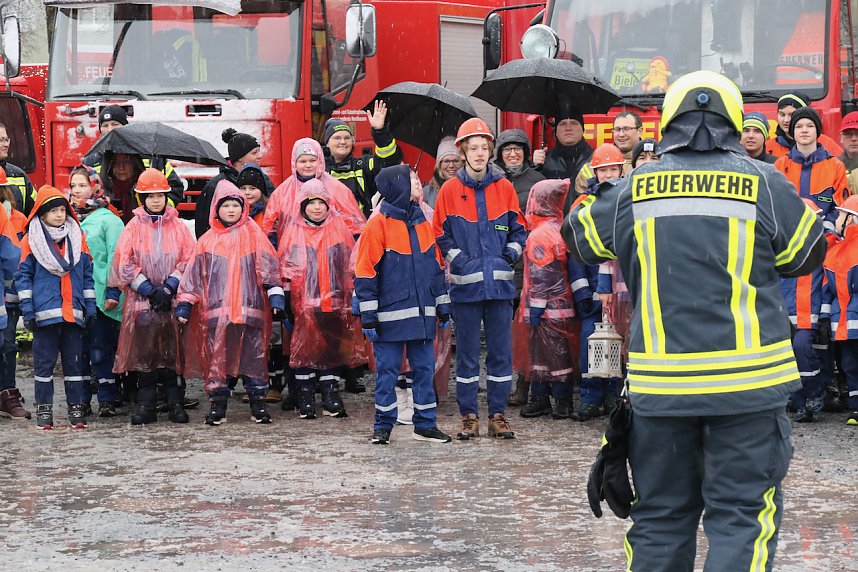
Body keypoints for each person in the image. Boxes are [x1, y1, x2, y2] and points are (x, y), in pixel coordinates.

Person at [563, 70, 826, 570]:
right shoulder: (764, 182)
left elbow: (578, 238)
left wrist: (598, 188)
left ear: (669, 122)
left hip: (662, 391)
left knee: (660, 519)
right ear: (732, 119)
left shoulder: (637, 188)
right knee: (742, 517)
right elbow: (807, 252)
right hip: (749, 390)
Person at [432, 117, 527, 440]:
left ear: (490, 151)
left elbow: (519, 229)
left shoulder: (505, 188)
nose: (478, 154)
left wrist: (509, 256)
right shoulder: (449, 190)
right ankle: (469, 416)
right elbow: (440, 235)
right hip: (465, 289)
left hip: (499, 288)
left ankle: (498, 415)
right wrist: (460, 261)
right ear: (462, 152)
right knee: (469, 355)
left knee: (501, 354)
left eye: (483, 148)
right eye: (473, 148)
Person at [355, 165, 452, 443]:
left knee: (424, 371)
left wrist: (443, 305)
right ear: (396, 186)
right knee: (387, 373)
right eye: (410, 179)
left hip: (422, 316)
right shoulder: (377, 224)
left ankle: (425, 424)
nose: (417, 182)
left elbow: (436, 268)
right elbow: (365, 272)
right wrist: (369, 316)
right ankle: (383, 425)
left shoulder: (422, 220)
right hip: (389, 318)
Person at [176, 180, 284, 425]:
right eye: (226, 206)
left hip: (250, 312)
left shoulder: (255, 237)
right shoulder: (207, 242)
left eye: (236, 205)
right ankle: (217, 406)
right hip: (218, 313)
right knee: (218, 360)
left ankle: (259, 404)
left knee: (255, 359)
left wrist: (276, 297)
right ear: (216, 209)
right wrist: (185, 303)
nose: (232, 210)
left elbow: (269, 270)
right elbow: (193, 277)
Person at [107, 169, 197, 425]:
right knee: (145, 357)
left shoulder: (179, 226)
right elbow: (124, 264)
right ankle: (146, 406)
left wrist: (168, 288)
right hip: (143, 303)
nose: (156, 200)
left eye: (161, 195)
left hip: (172, 303)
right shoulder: (133, 228)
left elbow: (189, 260)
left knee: (173, 357)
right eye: (150, 196)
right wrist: (148, 289)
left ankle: (176, 404)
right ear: (141, 198)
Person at [279, 178, 364, 420]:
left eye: (321, 202)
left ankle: (330, 395)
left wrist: (350, 298)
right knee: (304, 351)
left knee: (331, 352)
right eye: (311, 203)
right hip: (303, 305)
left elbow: (349, 267)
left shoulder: (339, 231)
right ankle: (305, 397)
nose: (317, 207)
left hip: (333, 304)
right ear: (301, 205)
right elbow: (285, 270)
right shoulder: (292, 234)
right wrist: (286, 302)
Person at [15, 186, 97, 429]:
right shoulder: (31, 241)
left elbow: (87, 277)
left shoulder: (77, 237)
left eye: (62, 210)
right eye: (53, 211)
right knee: (44, 367)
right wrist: (27, 309)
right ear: (41, 215)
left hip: (73, 314)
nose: (60, 215)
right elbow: (23, 277)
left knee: (74, 367)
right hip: (44, 317)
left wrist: (90, 306)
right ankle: (44, 410)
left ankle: (76, 409)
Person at [568, 144, 627, 421]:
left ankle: (616, 396)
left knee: (620, 345)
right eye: (602, 170)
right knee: (590, 346)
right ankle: (591, 398)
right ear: (595, 171)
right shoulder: (583, 204)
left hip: (623, 289)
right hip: (593, 289)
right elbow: (575, 252)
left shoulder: (630, 200)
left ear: (621, 169)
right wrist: (583, 292)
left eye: (612, 169)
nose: (607, 174)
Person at [511, 178, 576, 420]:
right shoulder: (561, 228)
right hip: (563, 306)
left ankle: (548, 401)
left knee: (542, 356)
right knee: (560, 355)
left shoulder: (539, 235)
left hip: (546, 310)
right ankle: (561, 400)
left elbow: (541, 277)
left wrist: (534, 309)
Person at [68, 164, 125, 418]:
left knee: (101, 349)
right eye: (73, 186)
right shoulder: (65, 217)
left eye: (83, 185)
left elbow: (117, 257)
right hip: (73, 297)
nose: (77, 190)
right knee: (76, 352)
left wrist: (113, 290)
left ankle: (108, 398)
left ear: (95, 186)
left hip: (101, 297)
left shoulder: (109, 220)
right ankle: (80, 400)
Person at [83, 105, 184, 208]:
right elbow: (82, 194)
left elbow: (176, 187)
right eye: (105, 125)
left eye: (115, 124)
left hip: (145, 221)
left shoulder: (149, 155)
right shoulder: (91, 160)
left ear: (126, 127)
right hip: (107, 220)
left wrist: (161, 209)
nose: (110, 130)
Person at [323, 100, 403, 216]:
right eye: (337, 138)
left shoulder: (363, 165)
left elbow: (389, 162)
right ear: (327, 143)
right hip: (330, 231)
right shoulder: (320, 169)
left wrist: (380, 132)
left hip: (360, 231)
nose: (343, 142)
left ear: (353, 141)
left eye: (347, 138)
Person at [195, 128, 274, 238]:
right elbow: (203, 226)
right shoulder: (215, 185)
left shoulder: (263, 179)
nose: (259, 156)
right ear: (240, 158)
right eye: (254, 152)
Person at [823, 194, 858, 425]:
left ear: (852, 220)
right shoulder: (835, 248)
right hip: (843, 321)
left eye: (841, 214)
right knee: (849, 365)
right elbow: (827, 288)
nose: (836, 218)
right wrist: (825, 317)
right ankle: (855, 408)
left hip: (849, 318)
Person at [0, 187, 26, 420]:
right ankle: (7, 396)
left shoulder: (16, 218)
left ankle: (6, 394)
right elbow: (10, 258)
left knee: (6, 344)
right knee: (5, 345)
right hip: (5, 296)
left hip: (7, 297)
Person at [534, 111, 593, 211]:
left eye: (574, 123)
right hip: (555, 224)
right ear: (555, 131)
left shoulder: (595, 159)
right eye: (562, 124)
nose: (568, 128)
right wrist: (535, 168)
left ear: (583, 129)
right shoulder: (544, 161)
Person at [573, 112, 642, 195]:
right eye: (617, 129)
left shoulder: (654, 161)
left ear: (640, 131)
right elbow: (580, 204)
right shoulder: (592, 166)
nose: (621, 134)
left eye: (626, 129)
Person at [765, 92, 843, 159]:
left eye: (791, 115)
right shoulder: (768, 147)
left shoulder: (827, 144)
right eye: (782, 114)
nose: (786, 120)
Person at [494, 129, 546, 212]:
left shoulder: (538, 180)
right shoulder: (491, 178)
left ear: (524, 152)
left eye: (518, 149)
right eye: (507, 149)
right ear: (500, 154)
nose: (513, 154)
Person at [0, 122, 37, 216]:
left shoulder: (19, 175)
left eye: (6, 140)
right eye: (1, 140)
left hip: (17, 230)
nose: (6, 145)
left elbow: (35, 211)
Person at [100, 152, 146, 223]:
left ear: (134, 164)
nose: (121, 167)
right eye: (116, 162)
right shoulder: (100, 194)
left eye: (126, 162)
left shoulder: (145, 192)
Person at [422, 137, 460, 208]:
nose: (451, 165)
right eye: (446, 161)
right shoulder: (427, 192)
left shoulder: (470, 189)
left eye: (456, 161)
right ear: (439, 164)